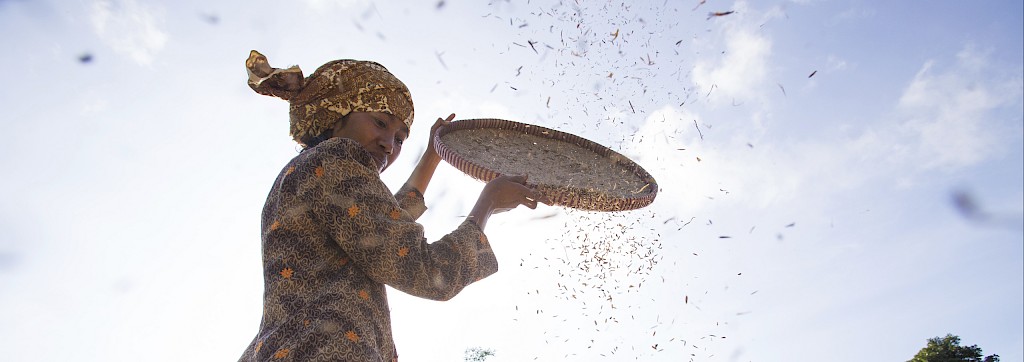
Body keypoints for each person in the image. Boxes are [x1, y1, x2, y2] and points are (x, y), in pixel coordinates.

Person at [238, 50, 543, 361]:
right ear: (338, 114)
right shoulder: (337, 159)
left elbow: (382, 225)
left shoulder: (313, 170)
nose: (389, 144)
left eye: (400, 139)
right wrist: (488, 203)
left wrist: (431, 156)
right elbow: (426, 270)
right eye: (379, 122)